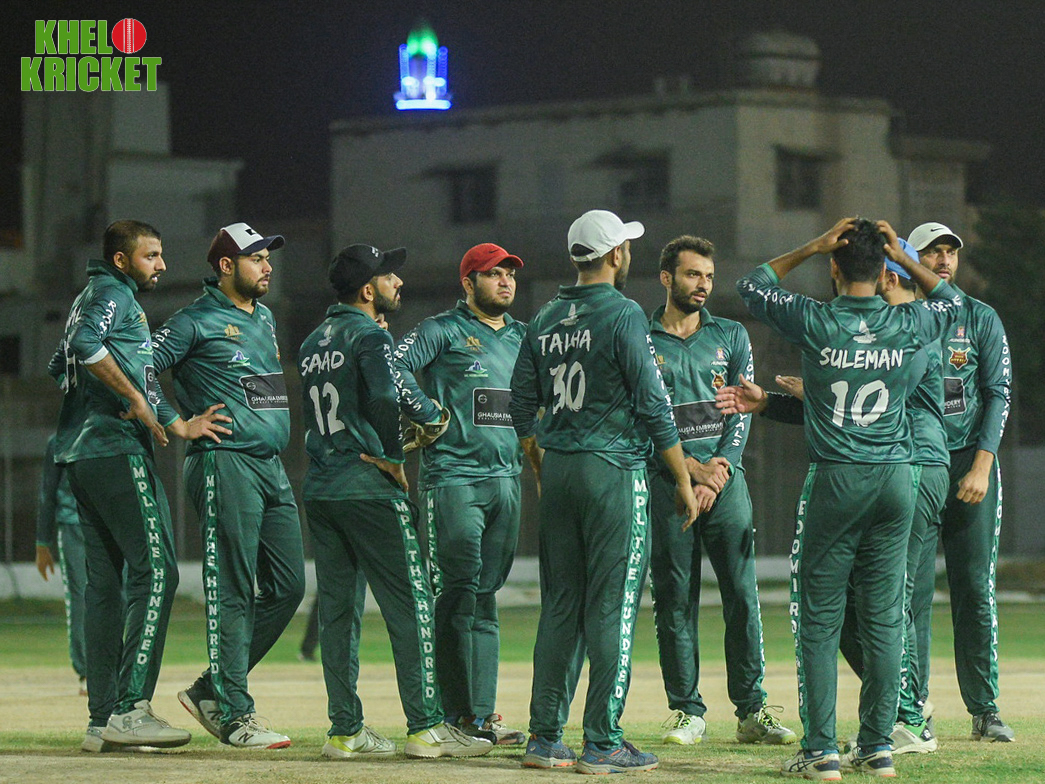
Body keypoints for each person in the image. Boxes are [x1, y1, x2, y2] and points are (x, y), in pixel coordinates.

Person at [735, 217, 961, 779]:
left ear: (834, 267)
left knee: (819, 621)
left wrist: (811, 245)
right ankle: (879, 747)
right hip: (896, 479)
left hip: (838, 478)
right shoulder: (907, 322)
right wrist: (903, 259)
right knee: (884, 620)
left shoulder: (815, 319)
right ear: (883, 271)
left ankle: (820, 751)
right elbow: (953, 302)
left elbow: (752, 285)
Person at [510, 209, 699, 774]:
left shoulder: (544, 317)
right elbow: (653, 404)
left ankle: (545, 738)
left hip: (560, 470)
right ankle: (602, 741)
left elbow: (521, 403)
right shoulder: (623, 313)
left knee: (560, 605)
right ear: (616, 254)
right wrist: (683, 479)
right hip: (612, 471)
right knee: (612, 607)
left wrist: (540, 462)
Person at [299, 243, 493, 760]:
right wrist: (392, 454)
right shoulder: (371, 335)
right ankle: (427, 727)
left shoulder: (313, 340)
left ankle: (345, 731)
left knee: (338, 614)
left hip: (322, 487)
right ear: (368, 290)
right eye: (389, 276)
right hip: (368, 487)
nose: (398, 282)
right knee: (412, 605)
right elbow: (387, 396)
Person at [48, 220, 222, 752]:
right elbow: (86, 346)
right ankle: (131, 709)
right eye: (152, 255)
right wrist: (133, 399)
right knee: (159, 571)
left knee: (105, 587)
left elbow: (62, 364)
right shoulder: (113, 294)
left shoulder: (87, 297)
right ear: (122, 260)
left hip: (80, 455)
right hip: (114, 450)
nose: (162, 264)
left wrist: (171, 420)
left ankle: (102, 720)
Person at [151, 222, 305, 749]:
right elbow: (139, 366)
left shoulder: (263, 317)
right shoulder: (194, 320)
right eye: (256, 258)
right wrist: (176, 422)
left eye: (267, 257)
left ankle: (209, 689)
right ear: (225, 266)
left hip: (270, 466)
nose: (267, 266)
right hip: (225, 463)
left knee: (289, 587)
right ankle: (236, 715)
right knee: (234, 588)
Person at [647, 236, 797, 747]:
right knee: (674, 599)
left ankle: (752, 711)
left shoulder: (731, 334)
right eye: (693, 275)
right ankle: (687, 711)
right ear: (667, 278)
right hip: (668, 484)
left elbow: (740, 411)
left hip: (725, 484)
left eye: (708, 277)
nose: (703, 285)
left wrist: (721, 469)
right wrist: (688, 470)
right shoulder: (641, 339)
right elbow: (640, 418)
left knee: (741, 595)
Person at [393, 242, 528, 745]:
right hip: (454, 479)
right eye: (494, 274)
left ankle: (482, 715)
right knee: (456, 595)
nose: (505, 281)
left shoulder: (523, 336)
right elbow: (391, 366)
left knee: (486, 599)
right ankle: (454, 715)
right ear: (468, 283)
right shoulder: (442, 330)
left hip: (506, 479)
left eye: (509, 273)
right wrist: (426, 412)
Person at [908, 221, 1013, 742]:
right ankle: (914, 708)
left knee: (974, 589)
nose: (944, 259)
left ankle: (985, 710)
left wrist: (981, 466)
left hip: (970, 466)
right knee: (910, 593)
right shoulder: (896, 317)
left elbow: (998, 392)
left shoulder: (980, 317)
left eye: (950, 251)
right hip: (914, 469)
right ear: (909, 258)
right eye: (933, 251)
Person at [35, 433, 89, 696]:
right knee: (80, 597)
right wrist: (42, 542)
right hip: (73, 525)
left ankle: (111, 668)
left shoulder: (111, 431)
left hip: (110, 524)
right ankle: (87, 671)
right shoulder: (59, 440)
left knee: (117, 595)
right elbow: (48, 491)